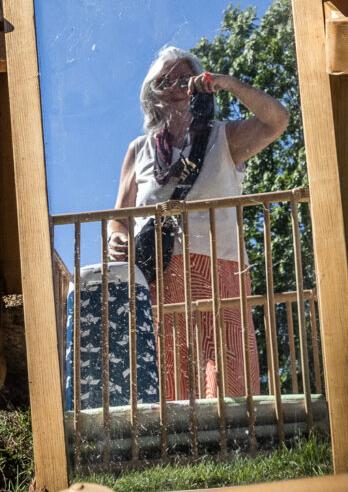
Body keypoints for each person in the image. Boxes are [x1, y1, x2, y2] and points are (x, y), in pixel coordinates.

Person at [107, 45, 289, 402]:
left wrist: (228, 83)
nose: (175, 88)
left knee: (227, 370)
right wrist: (117, 238)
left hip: (221, 267)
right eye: (165, 81)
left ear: (199, 87)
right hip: (156, 272)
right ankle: (173, 451)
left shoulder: (226, 137)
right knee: (166, 368)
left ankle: (235, 444)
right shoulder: (138, 150)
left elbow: (277, 120)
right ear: (151, 95)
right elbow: (119, 218)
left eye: (185, 80)